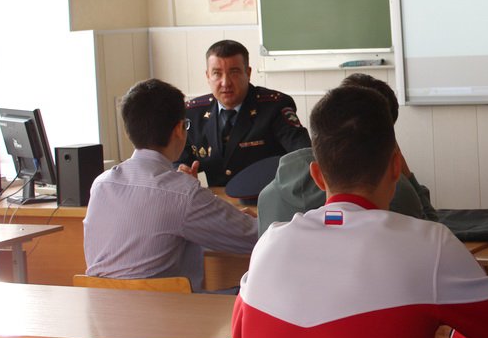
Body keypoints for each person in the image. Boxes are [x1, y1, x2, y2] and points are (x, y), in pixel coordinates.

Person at [233, 85, 488, 338]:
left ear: (317, 175)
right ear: (395, 167)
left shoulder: (270, 243)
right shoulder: (428, 245)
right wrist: (452, 332)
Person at [84, 79, 258, 291]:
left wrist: (206, 205)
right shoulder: (183, 193)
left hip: (104, 307)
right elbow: (255, 237)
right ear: (179, 129)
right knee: (253, 292)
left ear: (129, 131)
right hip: (165, 309)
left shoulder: (101, 185)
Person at [256, 72, 436, 235]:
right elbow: (431, 231)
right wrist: (405, 173)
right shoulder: (398, 193)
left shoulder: (269, 196)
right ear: (388, 135)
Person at [177, 40, 310, 186]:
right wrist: (182, 174)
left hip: (265, 197)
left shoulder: (274, 107)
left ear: (248, 73)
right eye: (217, 73)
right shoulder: (193, 113)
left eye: (234, 72)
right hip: (216, 198)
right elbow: (177, 162)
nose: (225, 83)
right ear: (208, 76)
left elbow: (304, 155)